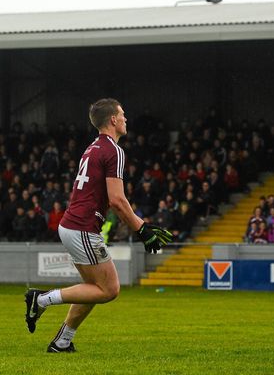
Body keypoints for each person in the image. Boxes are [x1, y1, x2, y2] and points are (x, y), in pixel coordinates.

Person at [24, 98, 172, 353]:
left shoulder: (93, 147)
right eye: (123, 114)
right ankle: (42, 299)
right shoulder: (114, 150)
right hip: (82, 227)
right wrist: (142, 228)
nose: (126, 119)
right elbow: (117, 200)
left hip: (73, 225)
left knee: (92, 289)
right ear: (113, 119)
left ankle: (62, 341)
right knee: (109, 289)